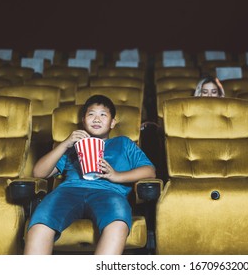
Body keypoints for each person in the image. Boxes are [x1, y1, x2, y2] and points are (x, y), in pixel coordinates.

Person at [24, 95, 156, 255]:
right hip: (68, 192)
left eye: (103, 115)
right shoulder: (71, 146)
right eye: (91, 114)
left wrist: (116, 176)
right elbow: (39, 172)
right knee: (39, 223)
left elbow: (150, 171)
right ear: (83, 120)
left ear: (113, 122)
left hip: (109, 193)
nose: (97, 119)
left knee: (117, 224)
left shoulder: (123, 143)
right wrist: (65, 143)